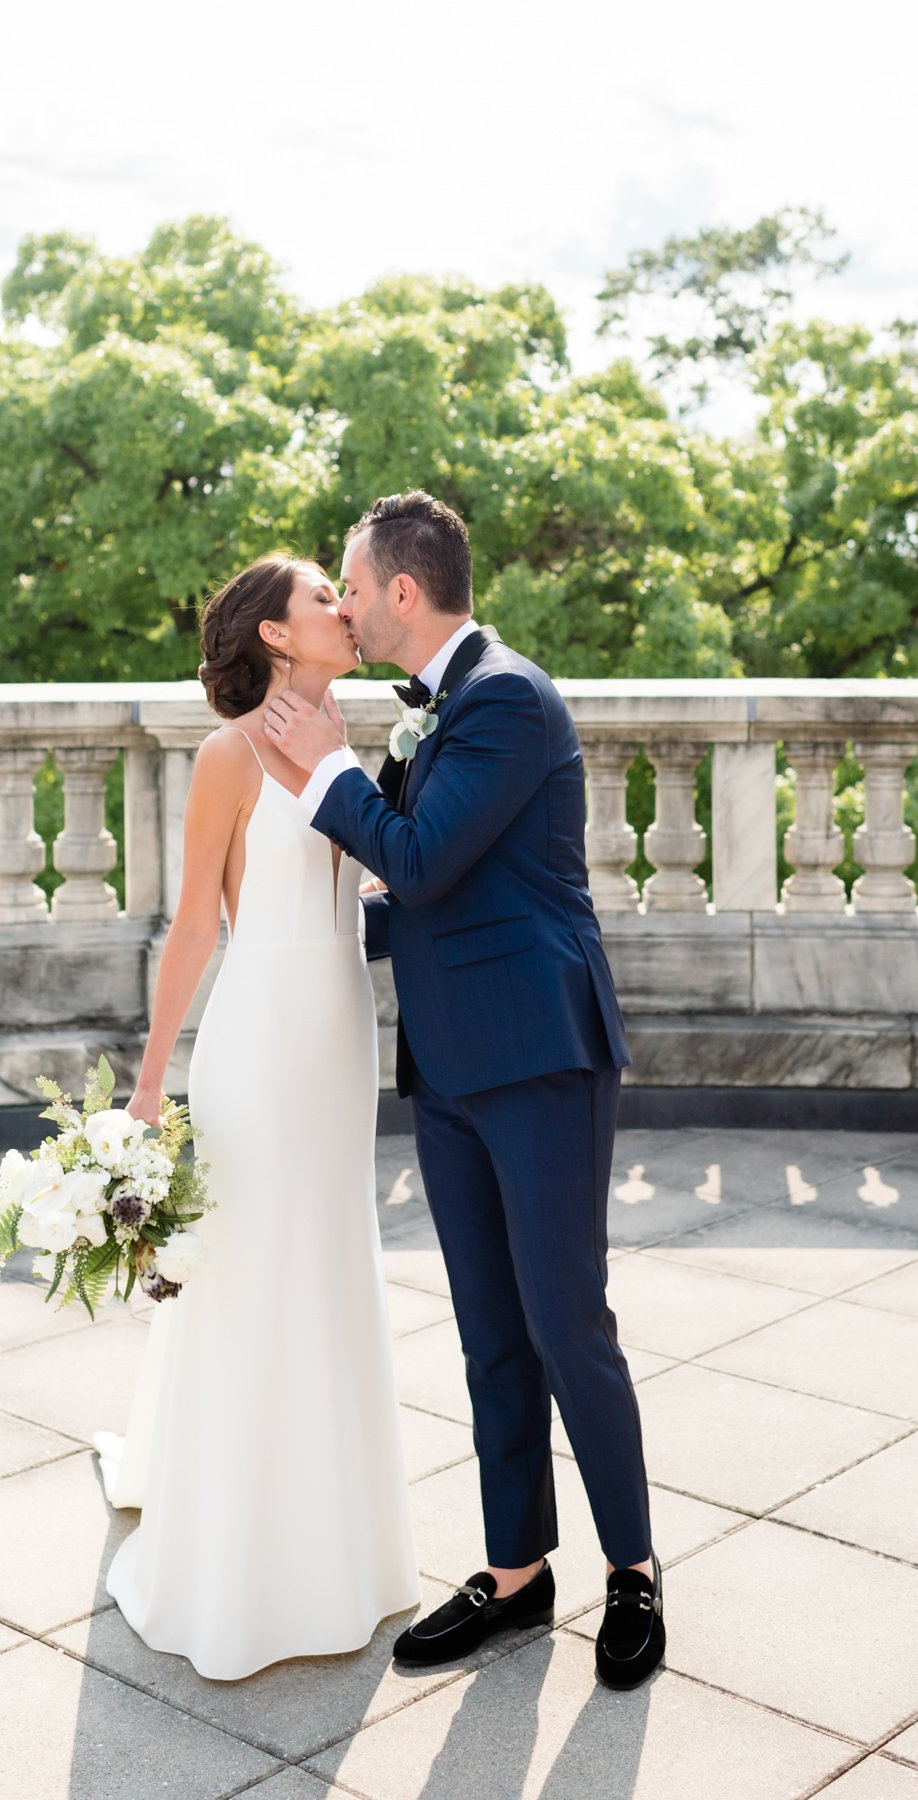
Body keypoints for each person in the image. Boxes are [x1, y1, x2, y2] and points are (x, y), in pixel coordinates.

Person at [263, 490, 664, 1691]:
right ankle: (514, 1570)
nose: (337, 601)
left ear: (401, 589)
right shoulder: (436, 709)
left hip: (538, 1054)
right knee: (491, 1332)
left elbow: (424, 855)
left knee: (565, 1324)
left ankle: (634, 1571)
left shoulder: (505, 696)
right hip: (444, 1066)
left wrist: (327, 768)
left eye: (348, 580)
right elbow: (427, 889)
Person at [94, 554, 419, 1681]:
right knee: (249, 1270)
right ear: (276, 635)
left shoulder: (354, 729)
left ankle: (339, 1547)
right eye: (324, 596)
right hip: (255, 1037)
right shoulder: (229, 754)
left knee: (328, 1261)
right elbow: (194, 928)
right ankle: (232, 1561)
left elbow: (369, 875)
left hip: (341, 1033)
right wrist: (149, 1084)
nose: (346, 605)